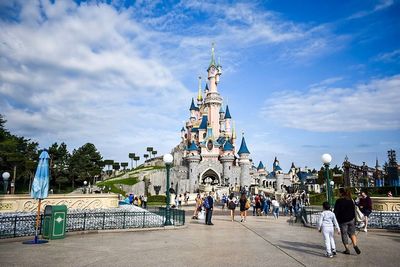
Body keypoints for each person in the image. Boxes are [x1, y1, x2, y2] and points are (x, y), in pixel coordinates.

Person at [334, 188, 361, 255]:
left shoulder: (339, 201)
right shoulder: (350, 200)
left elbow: (336, 212)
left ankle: (347, 249)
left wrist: (335, 220)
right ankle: (355, 245)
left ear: (341, 193)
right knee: (352, 233)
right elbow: (353, 210)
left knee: (344, 234)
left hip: (343, 221)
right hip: (351, 219)